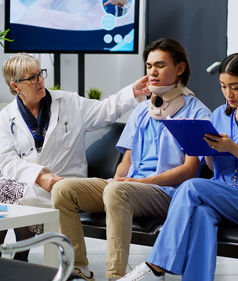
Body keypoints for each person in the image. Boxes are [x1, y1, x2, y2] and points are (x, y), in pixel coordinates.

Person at [51, 38, 212, 281]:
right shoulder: (141, 110)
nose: (152, 72)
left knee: (117, 192)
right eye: (148, 66)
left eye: (160, 65)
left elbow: (190, 171)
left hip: (166, 193)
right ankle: (77, 270)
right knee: (63, 189)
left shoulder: (197, 113)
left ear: (179, 69)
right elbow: (126, 159)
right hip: (128, 185)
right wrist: (118, 178)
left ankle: (115, 276)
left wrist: (140, 183)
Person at [119, 53, 238, 281]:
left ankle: (156, 263)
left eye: (235, 87)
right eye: (223, 86)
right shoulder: (219, 116)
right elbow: (214, 167)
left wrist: (233, 149)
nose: (228, 94)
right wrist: (206, 151)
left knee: (192, 187)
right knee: (202, 214)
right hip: (224, 196)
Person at [0, 53, 150, 261]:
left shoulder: (68, 103)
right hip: (30, 185)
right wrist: (39, 176)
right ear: (16, 86)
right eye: (32, 78)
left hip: (65, 186)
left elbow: (105, 110)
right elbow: (8, 161)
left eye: (40, 74)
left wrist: (132, 92)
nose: (40, 80)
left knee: (5, 194)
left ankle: (16, 259)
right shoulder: (7, 117)